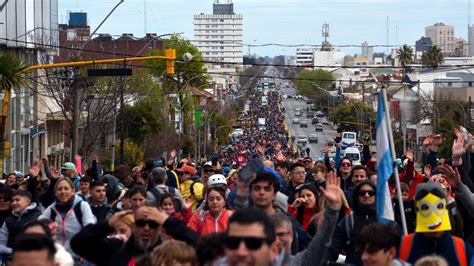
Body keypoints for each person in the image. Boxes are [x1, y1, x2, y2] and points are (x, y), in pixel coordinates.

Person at [222, 171, 343, 266]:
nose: (262, 193)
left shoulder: (288, 221)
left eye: (267, 189)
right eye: (257, 188)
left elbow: (317, 246)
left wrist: (332, 211)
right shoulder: (244, 222)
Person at [71, 207, 198, 266]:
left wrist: (169, 222)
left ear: (160, 227)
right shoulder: (116, 249)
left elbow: (201, 248)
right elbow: (78, 243)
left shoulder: (171, 252)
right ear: (133, 226)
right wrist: (107, 225)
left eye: (153, 224)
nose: (146, 228)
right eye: (141, 223)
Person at [399, 182, 474, 265]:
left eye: (439, 206)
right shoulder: (402, 247)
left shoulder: (463, 250)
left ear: (446, 208)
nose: (433, 214)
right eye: (425, 207)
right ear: (417, 210)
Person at [328, 180, 399, 264]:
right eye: (362, 193)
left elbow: (400, 251)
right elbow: (332, 251)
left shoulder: (387, 222)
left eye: (371, 193)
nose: (366, 195)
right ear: (356, 196)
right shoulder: (348, 222)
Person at [38, 178, 96, 255]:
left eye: (66, 188)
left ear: (72, 191)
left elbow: (89, 229)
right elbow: (39, 224)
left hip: (78, 254)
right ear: (55, 193)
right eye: (59, 189)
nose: (63, 191)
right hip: (57, 254)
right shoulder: (52, 209)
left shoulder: (82, 206)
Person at [0, 190, 41, 256]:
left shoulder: (39, 217)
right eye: (12, 201)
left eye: (17, 200)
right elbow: (1, 245)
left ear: (28, 202)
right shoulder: (8, 221)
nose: (13, 203)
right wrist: (15, 252)